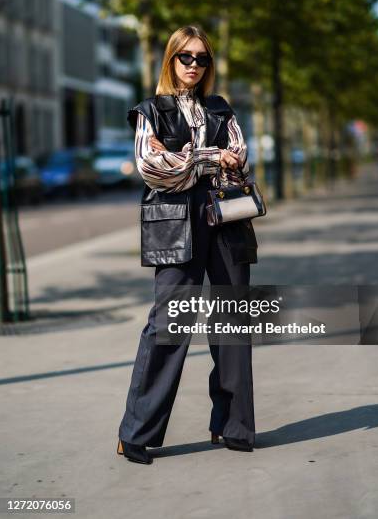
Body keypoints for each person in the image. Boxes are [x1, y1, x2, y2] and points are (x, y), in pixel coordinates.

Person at [117, 25, 258, 465]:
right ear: (171, 58)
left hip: (226, 218)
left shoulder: (221, 108)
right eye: (186, 57)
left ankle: (232, 426)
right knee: (168, 324)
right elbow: (153, 168)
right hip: (175, 222)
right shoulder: (150, 111)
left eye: (202, 59)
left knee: (233, 323)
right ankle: (136, 432)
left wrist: (191, 160)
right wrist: (209, 157)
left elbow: (239, 161)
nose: (194, 65)